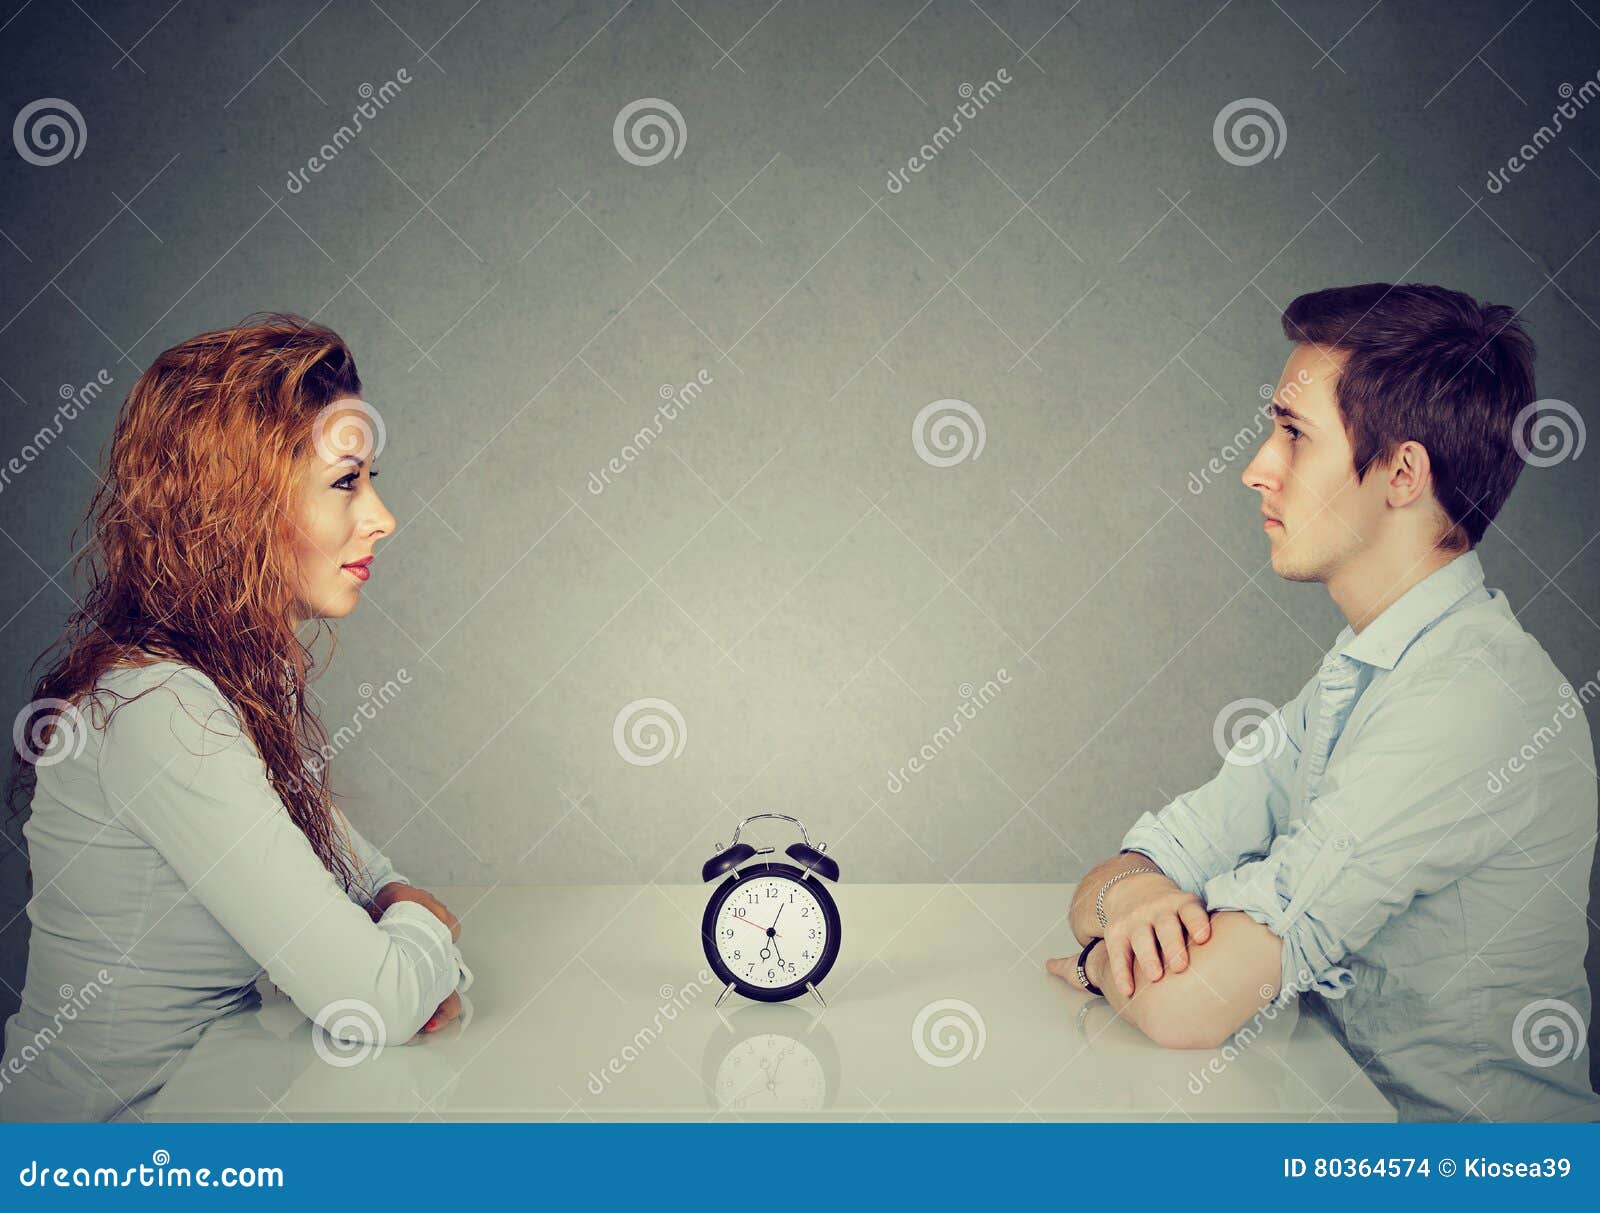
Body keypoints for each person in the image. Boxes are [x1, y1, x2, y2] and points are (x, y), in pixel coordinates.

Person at [1048, 283, 1599, 1122]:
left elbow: (1192, 1004)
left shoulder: (1470, 704)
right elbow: (1143, 858)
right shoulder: (1368, 667)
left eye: (1294, 434)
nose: (1256, 467)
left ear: (1402, 474)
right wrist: (1131, 902)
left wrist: (1099, 957)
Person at [0, 314, 466, 1122]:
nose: (382, 517)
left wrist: (396, 910)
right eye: (346, 482)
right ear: (239, 506)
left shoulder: (228, 680)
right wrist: (425, 929)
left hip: (208, 1114)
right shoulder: (159, 711)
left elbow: (363, 874)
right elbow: (378, 999)